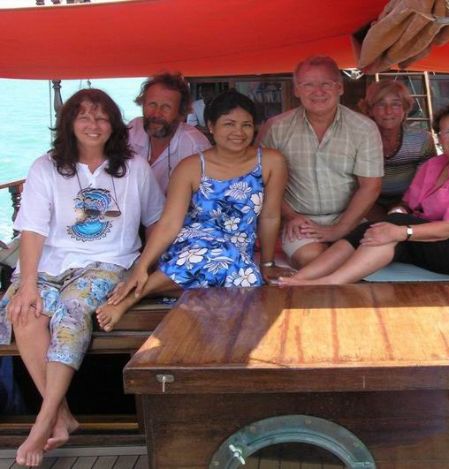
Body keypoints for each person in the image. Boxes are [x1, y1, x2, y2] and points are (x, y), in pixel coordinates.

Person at [0, 89, 164, 466]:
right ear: (69, 123)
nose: (93, 124)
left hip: (108, 262)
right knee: (25, 313)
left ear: (114, 125)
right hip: (48, 264)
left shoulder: (134, 167)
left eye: (102, 117)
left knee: (71, 313)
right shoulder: (46, 167)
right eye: (84, 116)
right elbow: (32, 230)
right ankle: (62, 417)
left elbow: (156, 221)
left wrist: (144, 267)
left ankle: (44, 421)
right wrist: (27, 284)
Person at [96, 89, 287, 332]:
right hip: (190, 244)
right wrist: (142, 266)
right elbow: (169, 223)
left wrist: (267, 264)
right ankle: (133, 294)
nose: (238, 132)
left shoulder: (271, 161)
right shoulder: (191, 167)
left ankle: (147, 292)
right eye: (229, 124)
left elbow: (270, 216)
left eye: (246, 125)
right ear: (211, 127)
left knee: (243, 275)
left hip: (237, 249)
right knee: (227, 262)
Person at [279, 104, 449, 285]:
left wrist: (401, 230)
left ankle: (330, 281)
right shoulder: (434, 164)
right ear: (439, 137)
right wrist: (397, 214)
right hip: (432, 237)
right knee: (377, 228)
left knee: (392, 232)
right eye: (447, 132)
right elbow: (407, 204)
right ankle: (301, 278)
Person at [259, 55, 383, 269]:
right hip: (299, 220)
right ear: (296, 90)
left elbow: (370, 186)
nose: (318, 91)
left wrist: (339, 229)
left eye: (326, 84)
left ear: (340, 88)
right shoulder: (276, 128)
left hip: (348, 218)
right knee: (312, 258)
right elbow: (261, 180)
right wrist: (291, 216)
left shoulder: (364, 128)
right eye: (308, 85)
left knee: (374, 257)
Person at [358, 80, 436, 221]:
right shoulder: (358, 140)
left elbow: (425, 185)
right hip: (365, 203)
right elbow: (352, 187)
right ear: (370, 110)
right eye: (381, 104)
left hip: (408, 203)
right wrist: (377, 218)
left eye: (396, 104)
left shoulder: (421, 140)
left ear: (405, 109)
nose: (388, 111)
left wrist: (401, 209)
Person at [129, 72, 211, 194]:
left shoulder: (195, 147)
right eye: (152, 104)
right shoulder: (133, 129)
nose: (156, 113)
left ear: (181, 113)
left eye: (166, 107)